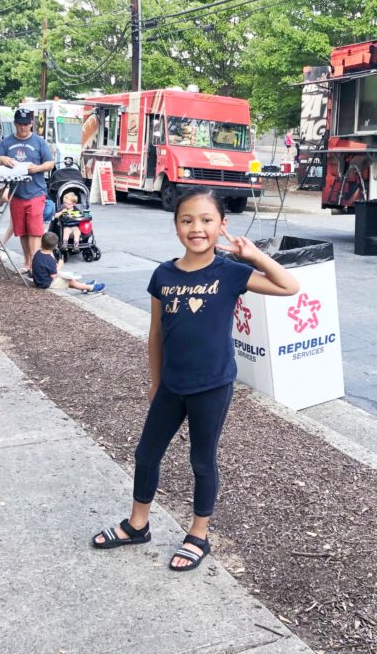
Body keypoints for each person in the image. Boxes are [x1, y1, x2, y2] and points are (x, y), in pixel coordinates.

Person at [91, 188, 299, 571]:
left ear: (222, 226)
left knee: (202, 461)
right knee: (146, 454)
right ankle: (138, 524)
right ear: (176, 227)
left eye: (206, 220)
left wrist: (253, 255)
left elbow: (290, 287)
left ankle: (198, 535)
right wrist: (155, 382)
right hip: (171, 384)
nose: (196, 228)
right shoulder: (163, 274)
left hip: (212, 386)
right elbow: (155, 333)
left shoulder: (231, 272)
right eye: (187, 220)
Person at [0, 107, 55, 273]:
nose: (23, 127)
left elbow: (50, 163)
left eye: (26, 124)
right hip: (16, 193)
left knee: (34, 230)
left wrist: (37, 168)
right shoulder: (6, 142)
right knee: (22, 230)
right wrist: (1, 159)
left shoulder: (39, 142)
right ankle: (27, 261)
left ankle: (35, 263)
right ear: (15, 124)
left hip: (36, 192)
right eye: (20, 124)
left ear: (31, 123)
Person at [31, 233, 106, 293]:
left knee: (69, 277)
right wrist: (60, 265)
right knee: (70, 281)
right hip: (45, 283)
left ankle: (83, 285)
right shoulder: (49, 260)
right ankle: (91, 288)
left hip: (39, 279)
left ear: (41, 243)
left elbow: (49, 261)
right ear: (56, 246)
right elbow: (54, 275)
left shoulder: (38, 253)